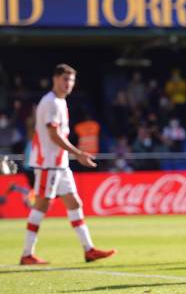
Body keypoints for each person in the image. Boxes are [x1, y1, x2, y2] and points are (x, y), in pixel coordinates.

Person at [19, 64, 116, 265]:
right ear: (55, 79)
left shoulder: (60, 102)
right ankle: (27, 253)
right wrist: (78, 153)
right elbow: (54, 135)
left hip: (59, 163)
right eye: (65, 79)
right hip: (48, 163)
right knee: (42, 205)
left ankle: (89, 249)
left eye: (71, 80)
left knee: (74, 203)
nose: (68, 84)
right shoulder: (52, 102)